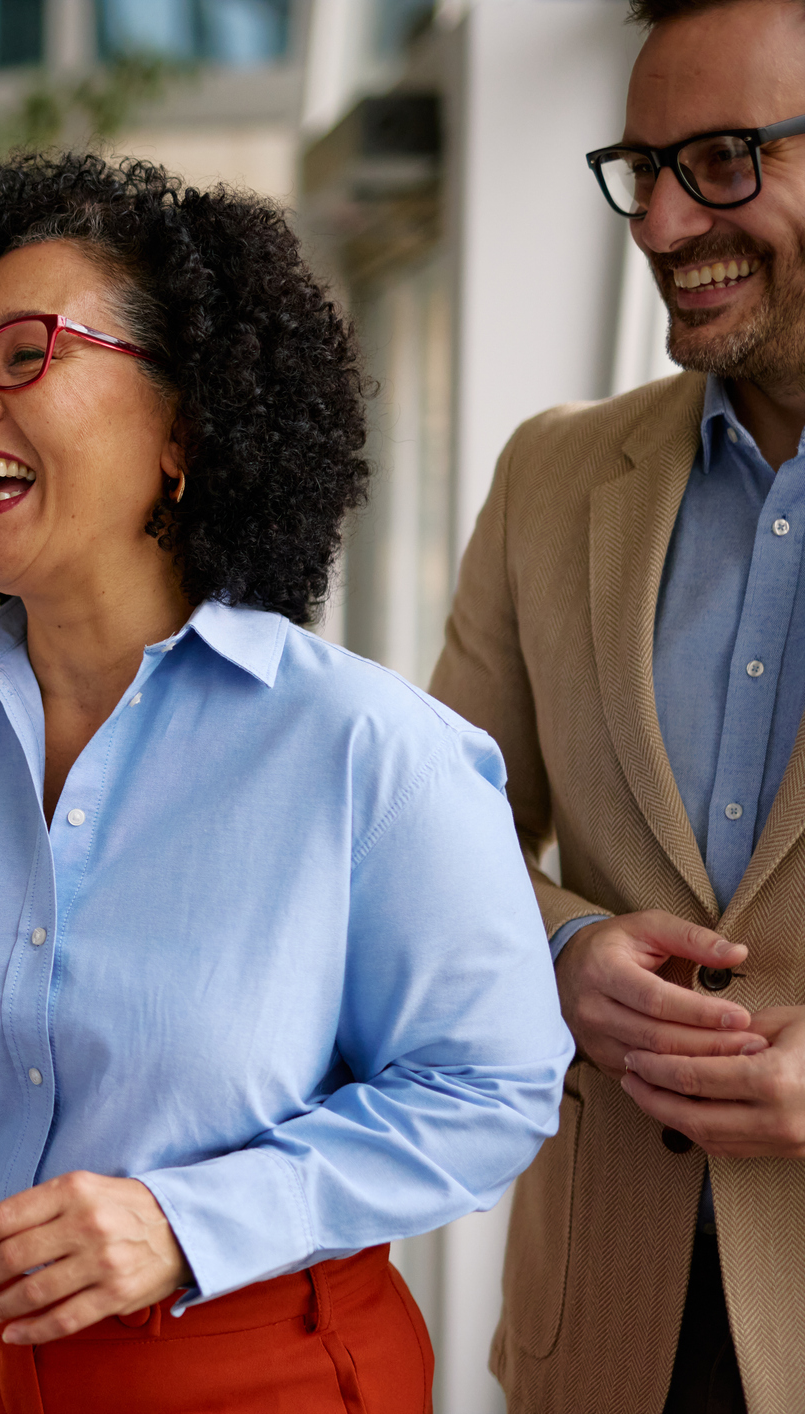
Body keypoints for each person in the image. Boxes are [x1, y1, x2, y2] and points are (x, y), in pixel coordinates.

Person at [0, 150, 575, 1414]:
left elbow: (487, 1086)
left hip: (257, 1371)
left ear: (185, 424)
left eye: (23, 353)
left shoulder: (369, 749)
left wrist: (183, 1220)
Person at [433, 2, 805, 1410]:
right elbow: (433, 837)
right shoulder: (550, 474)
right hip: (606, 1330)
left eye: (718, 158)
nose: (658, 222)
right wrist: (567, 947)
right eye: (640, 167)